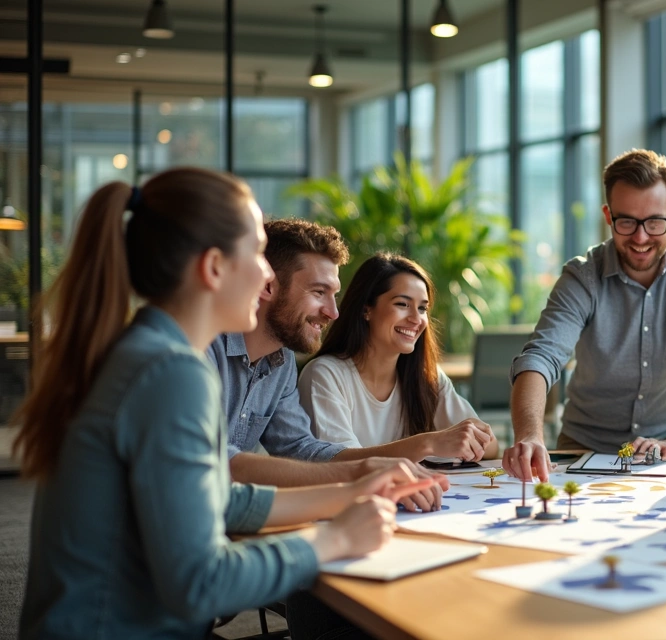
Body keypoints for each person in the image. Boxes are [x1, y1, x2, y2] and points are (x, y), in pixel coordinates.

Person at [14, 168, 435, 639]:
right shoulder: (172, 374)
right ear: (214, 267)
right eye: (256, 253)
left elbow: (217, 498)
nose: (266, 275)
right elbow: (200, 584)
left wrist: (350, 492)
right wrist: (334, 537)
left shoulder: (148, 353)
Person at [503, 149, 666, 482]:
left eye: (655, 222)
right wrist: (529, 435)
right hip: (584, 449)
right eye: (626, 221)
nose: (640, 238)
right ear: (608, 216)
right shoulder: (583, 276)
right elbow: (540, 357)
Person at [206, 219, 447, 512]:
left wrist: (377, 468)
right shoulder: (203, 348)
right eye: (319, 292)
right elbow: (213, 458)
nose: (333, 313)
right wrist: (359, 473)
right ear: (268, 285)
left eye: (334, 295)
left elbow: (300, 448)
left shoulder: (281, 363)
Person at [298, 253, 499, 460]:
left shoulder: (426, 376)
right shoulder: (324, 376)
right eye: (402, 304)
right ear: (366, 310)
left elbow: (490, 447)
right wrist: (427, 444)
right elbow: (340, 462)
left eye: (422, 308)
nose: (416, 319)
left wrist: (473, 438)